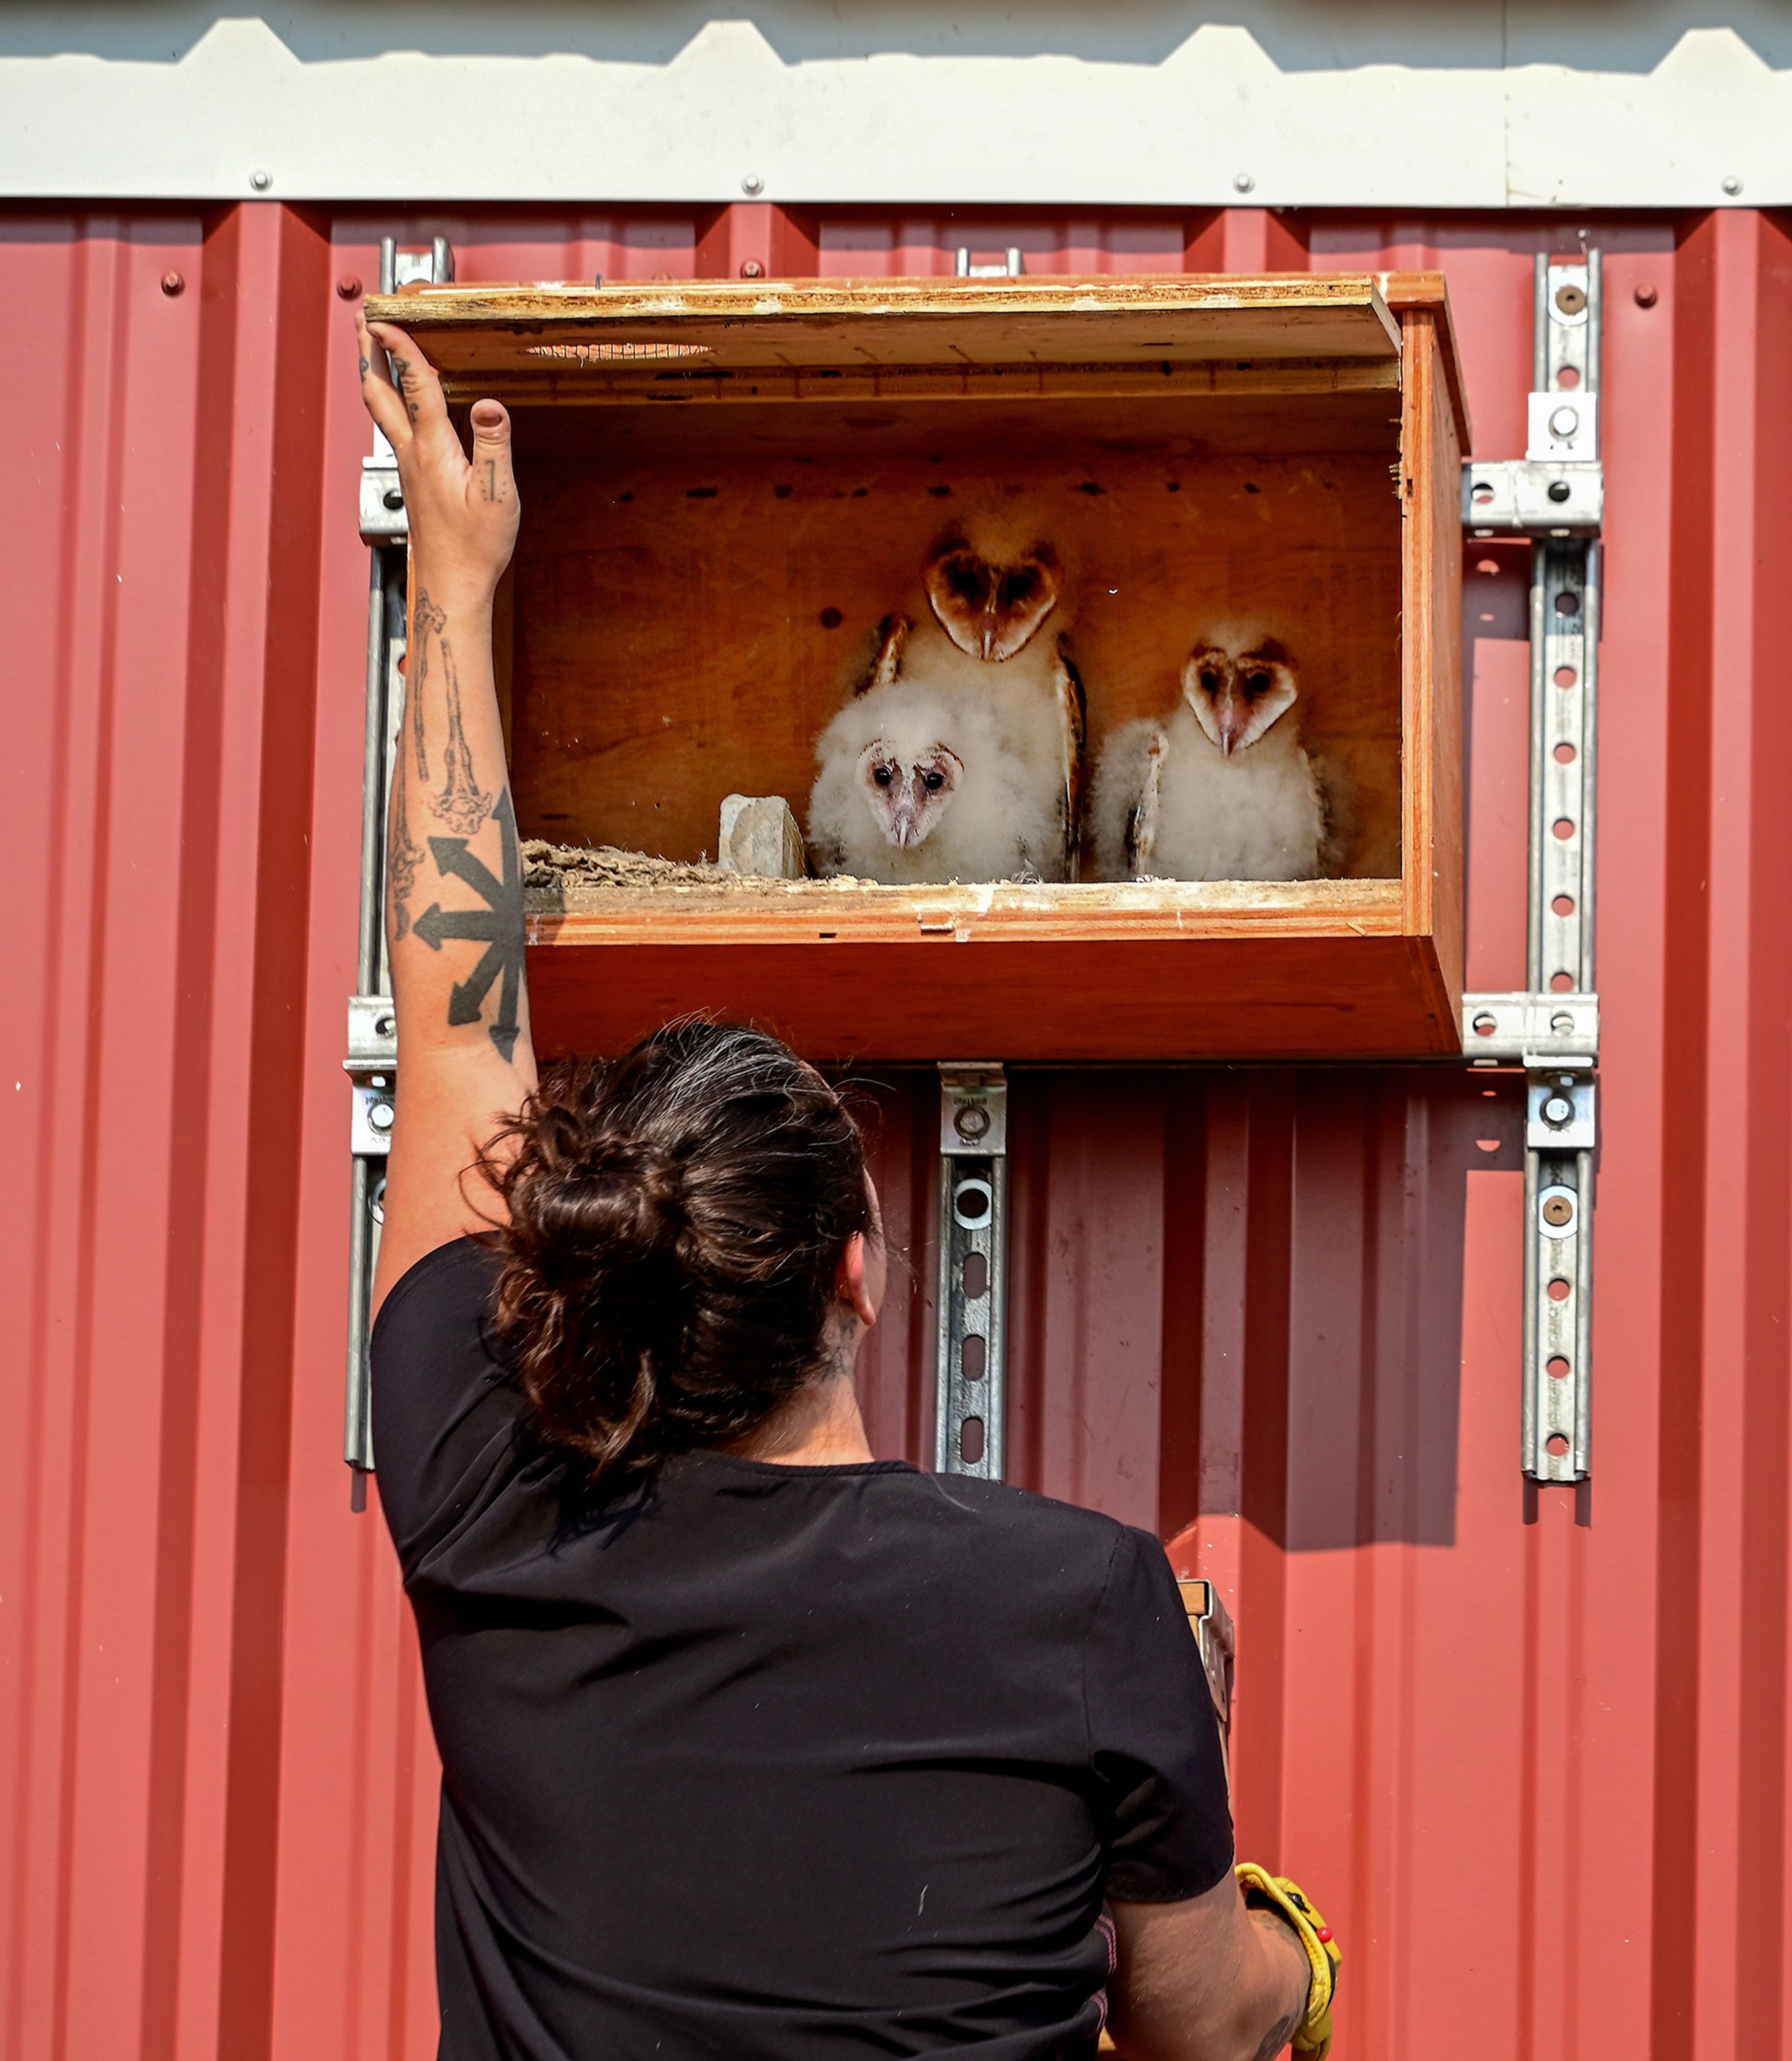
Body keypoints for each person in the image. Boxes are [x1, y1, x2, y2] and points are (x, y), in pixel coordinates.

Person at [353, 316, 1338, 2060]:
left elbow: (451, 996)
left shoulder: (482, 1506)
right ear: (862, 1272)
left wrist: (452, 581)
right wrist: (1247, 1873)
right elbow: (1212, 2027)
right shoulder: (1091, 1609)